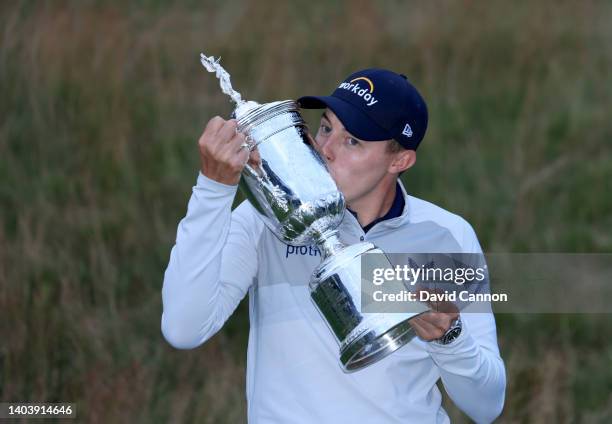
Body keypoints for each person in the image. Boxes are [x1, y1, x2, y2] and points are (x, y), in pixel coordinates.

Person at [161, 68, 506, 423]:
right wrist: (214, 188)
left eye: (352, 141)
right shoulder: (267, 218)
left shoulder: (448, 235)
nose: (325, 150)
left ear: (399, 160)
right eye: (326, 127)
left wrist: (450, 338)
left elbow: (487, 405)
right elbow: (183, 328)